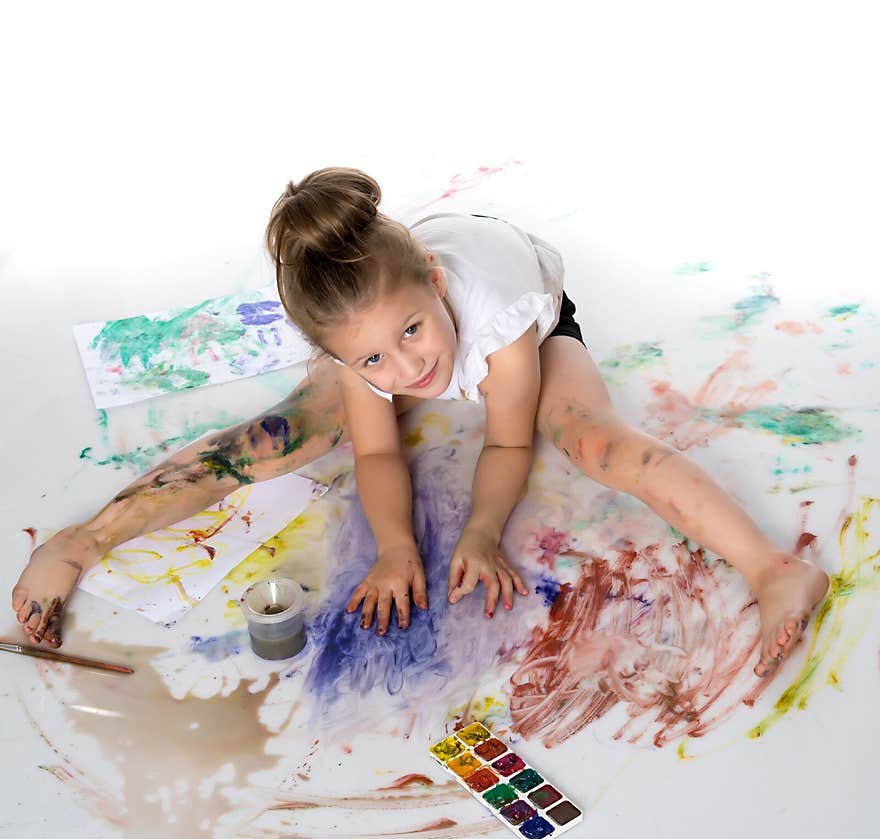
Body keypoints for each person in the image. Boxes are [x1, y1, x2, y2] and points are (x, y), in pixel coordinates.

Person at [11, 167, 829, 677]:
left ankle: (770, 571)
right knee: (283, 439)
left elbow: (508, 438)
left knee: (595, 440)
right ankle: (79, 544)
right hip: (374, 307)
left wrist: (479, 532)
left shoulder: (501, 326)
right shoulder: (370, 354)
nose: (408, 375)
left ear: (435, 283)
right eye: (372, 363)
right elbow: (377, 456)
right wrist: (397, 546)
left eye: (414, 333)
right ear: (337, 354)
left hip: (528, 317)